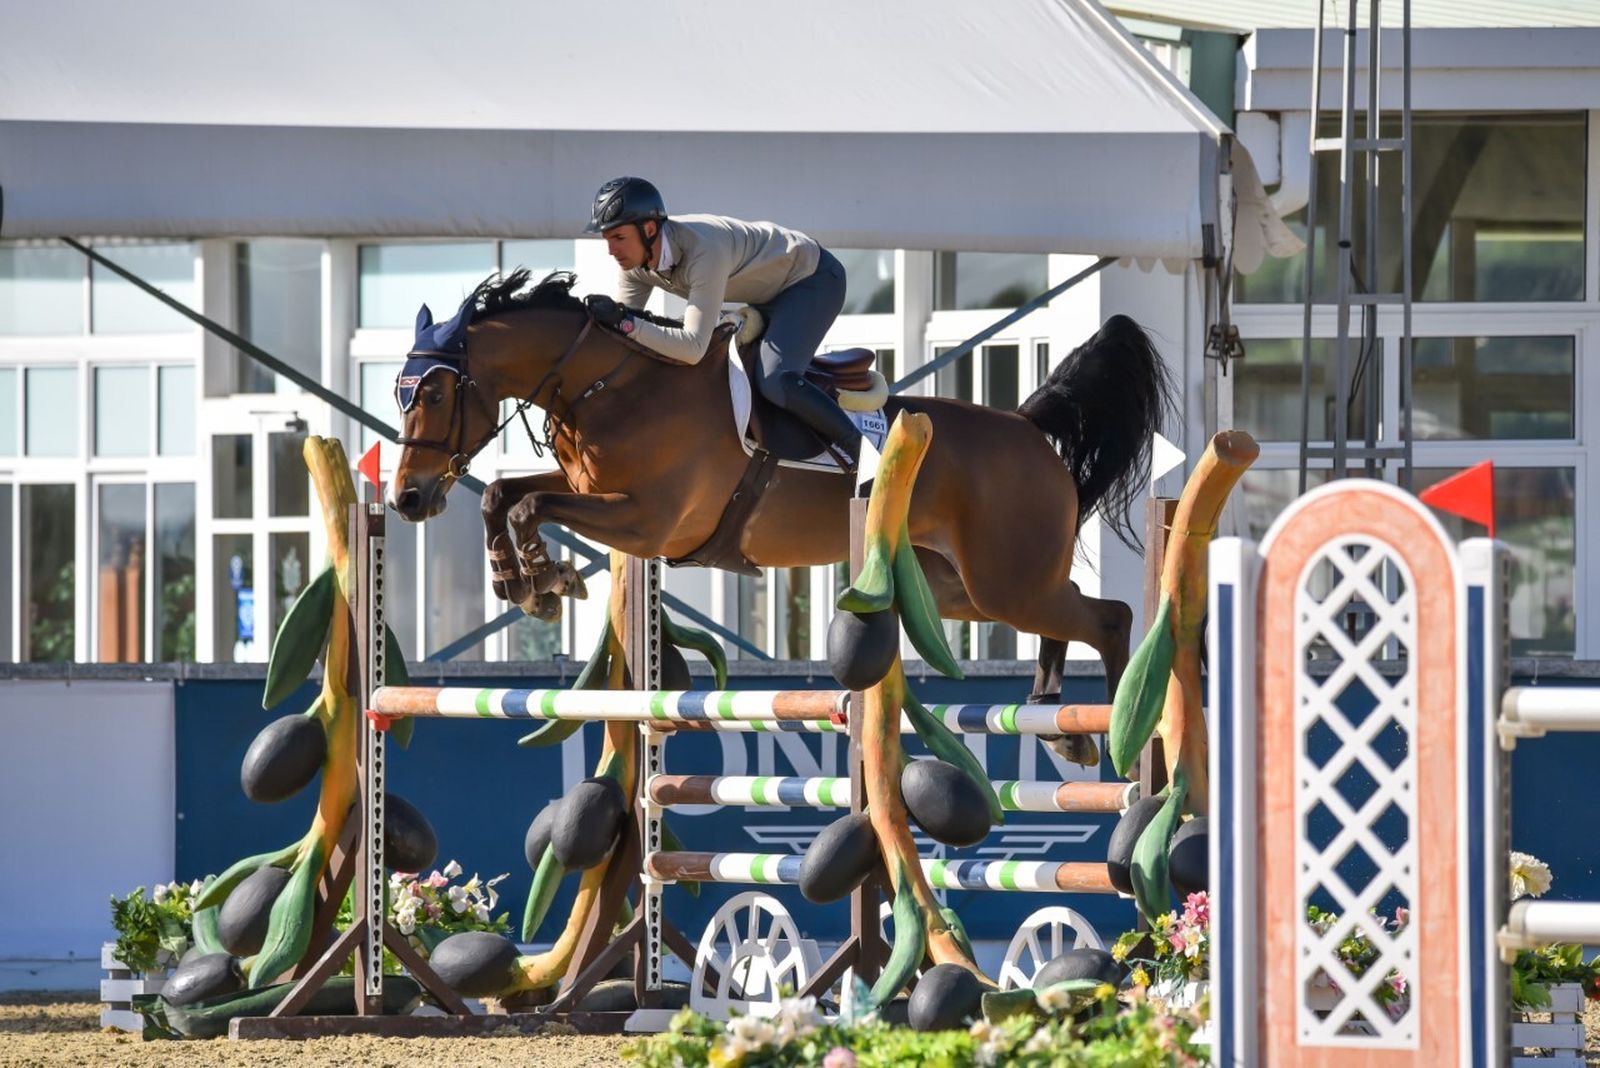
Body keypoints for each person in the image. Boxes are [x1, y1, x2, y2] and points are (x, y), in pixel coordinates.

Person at [581, 176, 862, 459]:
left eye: (619, 238)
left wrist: (624, 322)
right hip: (767, 293)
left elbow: (692, 348)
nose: (611, 251)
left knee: (774, 380)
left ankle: (861, 451)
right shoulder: (634, 267)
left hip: (813, 280)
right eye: (607, 239)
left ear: (650, 229)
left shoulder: (704, 251)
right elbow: (623, 336)